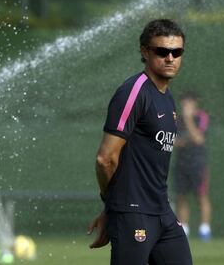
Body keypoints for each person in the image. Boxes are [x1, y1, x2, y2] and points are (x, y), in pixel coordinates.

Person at [87, 19, 192, 265]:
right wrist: (112, 208)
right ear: (145, 51)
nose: (170, 57)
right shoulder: (133, 92)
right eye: (161, 51)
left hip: (162, 212)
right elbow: (105, 158)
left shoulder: (167, 98)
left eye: (176, 52)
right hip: (134, 215)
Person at [174, 91, 212, 241]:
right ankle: (183, 229)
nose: (186, 106)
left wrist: (189, 119)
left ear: (195, 103)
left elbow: (198, 139)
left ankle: (205, 230)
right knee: (181, 196)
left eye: (188, 103)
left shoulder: (201, 117)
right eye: (184, 103)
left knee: (201, 196)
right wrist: (185, 139)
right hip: (181, 164)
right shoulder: (176, 120)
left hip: (198, 164)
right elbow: (174, 142)